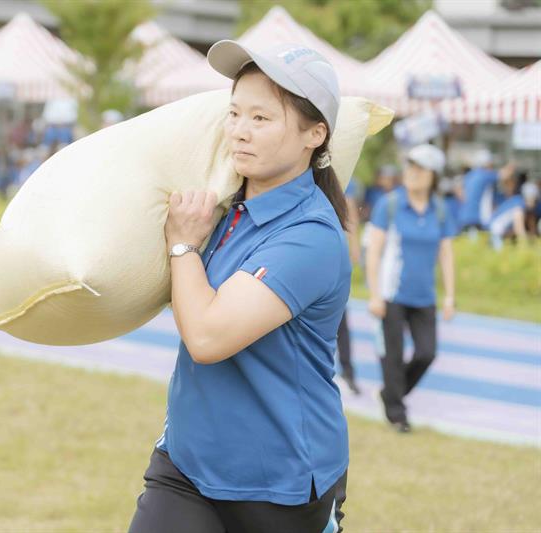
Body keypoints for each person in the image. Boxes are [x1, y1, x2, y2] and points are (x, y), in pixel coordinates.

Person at [129, 40, 350, 533]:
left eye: (262, 119)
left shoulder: (310, 235)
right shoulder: (222, 204)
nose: (240, 132)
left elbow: (207, 338)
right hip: (188, 462)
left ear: (315, 134)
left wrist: (183, 247)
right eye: (234, 113)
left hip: (278, 482)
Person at [365, 144, 456, 434]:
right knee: (391, 356)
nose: (412, 174)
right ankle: (398, 414)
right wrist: (375, 293)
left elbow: (446, 254)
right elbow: (374, 252)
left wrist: (450, 295)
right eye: (410, 167)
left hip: (424, 296)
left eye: (420, 168)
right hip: (392, 293)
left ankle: (391, 395)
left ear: (434, 175)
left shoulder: (440, 210)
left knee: (426, 353)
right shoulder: (389, 205)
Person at [337, 178, 361, 395]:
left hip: (333, 252)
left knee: (339, 317)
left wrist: (354, 246)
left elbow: (350, 209)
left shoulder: (343, 172)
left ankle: (348, 370)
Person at [488, 163, 526, 250]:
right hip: (494, 234)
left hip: (492, 233)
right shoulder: (517, 201)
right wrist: (524, 244)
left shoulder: (514, 201)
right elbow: (518, 225)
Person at [459, 149, 497, 233]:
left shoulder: (469, 176)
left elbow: (461, 194)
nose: (492, 165)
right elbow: (504, 174)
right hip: (477, 219)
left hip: (465, 218)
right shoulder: (485, 175)